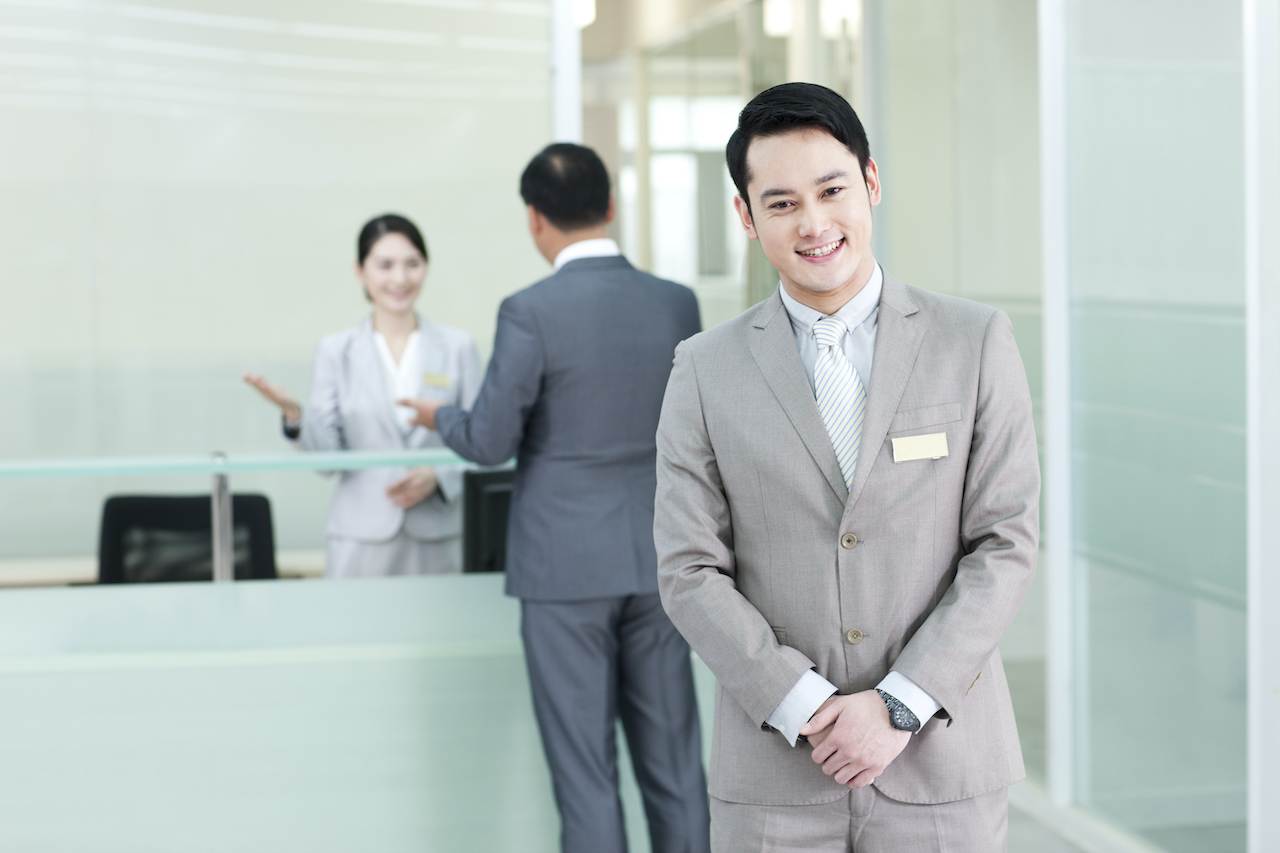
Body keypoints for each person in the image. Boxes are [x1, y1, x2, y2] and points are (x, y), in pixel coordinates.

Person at [652, 82, 1040, 851]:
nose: (815, 223)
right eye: (783, 202)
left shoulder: (974, 342)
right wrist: (804, 703)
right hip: (776, 775)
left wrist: (898, 703)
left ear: (870, 182)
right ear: (746, 216)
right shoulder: (703, 369)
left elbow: (1006, 543)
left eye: (832, 190)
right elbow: (689, 568)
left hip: (942, 767)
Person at [399, 144, 710, 853]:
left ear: (535, 219)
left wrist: (436, 416)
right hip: (661, 559)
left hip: (564, 570)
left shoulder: (530, 311)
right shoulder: (675, 302)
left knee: (585, 772)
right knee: (676, 767)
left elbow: (487, 440)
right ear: (610, 207)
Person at [243, 214, 481, 578]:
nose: (400, 278)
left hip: (439, 536)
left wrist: (439, 474)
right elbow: (328, 461)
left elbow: (485, 441)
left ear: (426, 268)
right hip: (360, 539)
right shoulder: (336, 351)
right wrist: (295, 415)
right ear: (360, 271)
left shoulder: (458, 347)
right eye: (385, 265)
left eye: (412, 264)